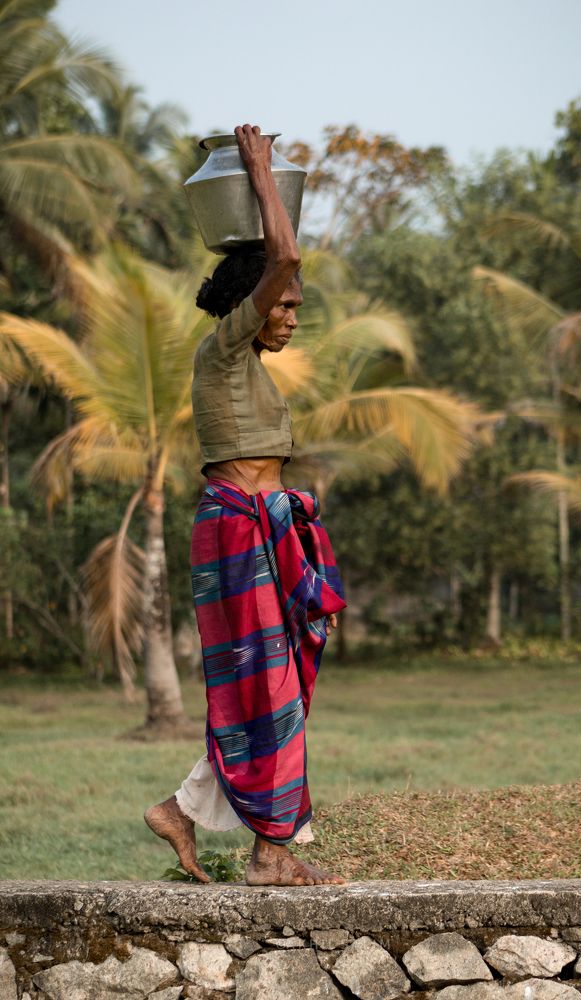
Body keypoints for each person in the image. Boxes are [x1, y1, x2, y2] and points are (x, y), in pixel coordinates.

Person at [144, 124, 347, 887]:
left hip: (261, 534)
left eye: (296, 307)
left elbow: (285, 268)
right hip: (236, 532)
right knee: (268, 686)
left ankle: (185, 810)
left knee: (272, 684)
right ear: (249, 305)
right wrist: (261, 172)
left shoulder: (250, 365)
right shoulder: (224, 347)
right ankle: (270, 852)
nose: (292, 314)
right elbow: (283, 257)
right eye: (284, 305)